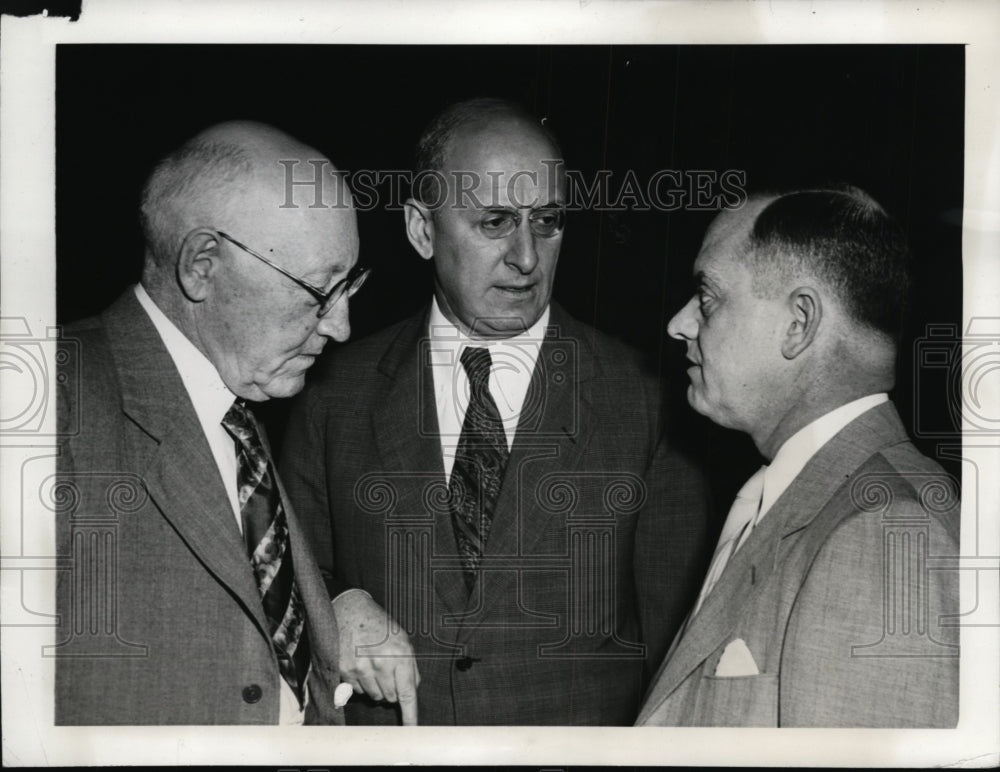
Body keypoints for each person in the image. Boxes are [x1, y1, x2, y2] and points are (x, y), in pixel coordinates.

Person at [280, 97, 708, 725]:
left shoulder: (646, 397)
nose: (528, 257)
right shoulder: (333, 389)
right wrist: (337, 602)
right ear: (422, 230)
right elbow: (280, 571)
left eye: (549, 221)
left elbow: (680, 655)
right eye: (495, 222)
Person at [54, 120, 372, 724]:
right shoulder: (41, 399)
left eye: (350, 283)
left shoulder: (236, 405)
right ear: (202, 265)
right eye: (318, 290)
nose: (341, 326)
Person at [636, 186, 960, 727]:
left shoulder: (886, 534)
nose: (680, 323)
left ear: (799, 323)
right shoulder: (817, 495)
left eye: (708, 297)